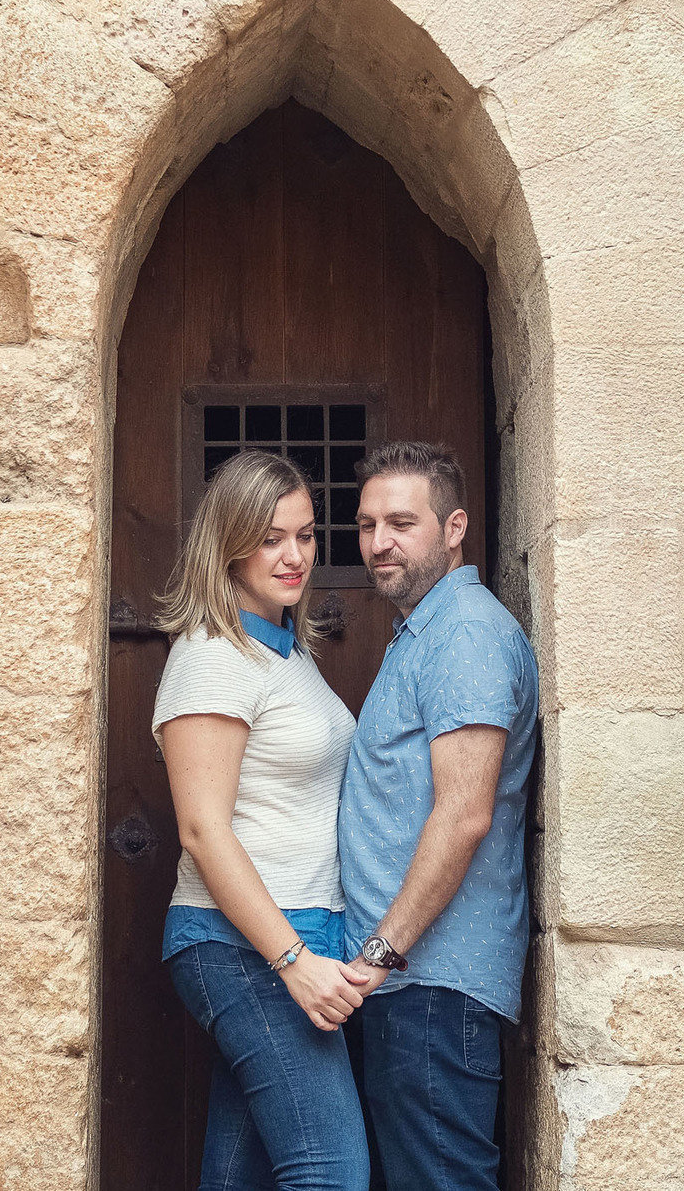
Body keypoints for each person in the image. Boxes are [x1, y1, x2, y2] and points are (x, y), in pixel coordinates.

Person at [154, 449, 379, 1191]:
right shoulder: (213, 656)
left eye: (307, 535)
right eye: (271, 536)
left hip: (293, 935)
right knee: (331, 1170)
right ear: (229, 543)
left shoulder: (284, 652)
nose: (294, 556)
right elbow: (202, 830)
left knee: (239, 1173)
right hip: (243, 943)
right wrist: (292, 961)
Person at [339, 442, 540, 1191]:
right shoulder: (424, 631)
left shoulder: (464, 633)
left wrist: (379, 955)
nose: (378, 541)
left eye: (401, 521)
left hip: (428, 985)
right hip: (409, 986)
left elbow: (464, 816)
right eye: (366, 523)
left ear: (454, 527)